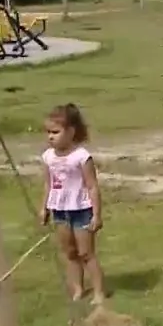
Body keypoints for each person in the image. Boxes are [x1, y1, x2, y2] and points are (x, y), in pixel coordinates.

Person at [39, 103, 108, 305]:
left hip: (82, 210)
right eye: (48, 132)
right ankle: (78, 289)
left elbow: (92, 186)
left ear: (71, 132)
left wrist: (97, 214)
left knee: (86, 253)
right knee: (70, 253)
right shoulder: (48, 157)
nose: (50, 136)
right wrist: (44, 208)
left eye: (55, 131)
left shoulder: (81, 157)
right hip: (60, 211)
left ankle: (99, 292)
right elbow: (47, 184)